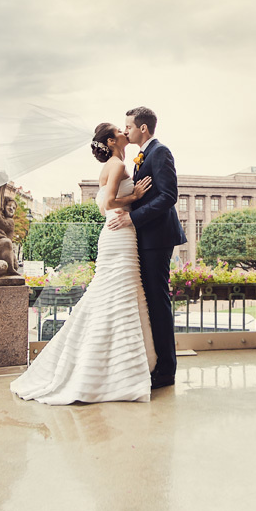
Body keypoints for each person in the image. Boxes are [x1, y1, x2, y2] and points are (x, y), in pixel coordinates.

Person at [10, 123, 156, 404]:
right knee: (117, 296)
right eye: (119, 130)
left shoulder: (116, 164)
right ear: (112, 141)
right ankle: (115, 372)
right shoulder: (116, 165)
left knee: (113, 296)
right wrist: (135, 197)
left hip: (116, 233)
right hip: (118, 232)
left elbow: (103, 203)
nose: (125, 132)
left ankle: (109, 367)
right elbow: (108, 203)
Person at [107, 106, 186, 389]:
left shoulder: (160, 152)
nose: (125, 130)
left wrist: (132, 217)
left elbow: (168, 196)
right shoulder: (143, 156)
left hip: (158, 239)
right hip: (145, 237)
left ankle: (166, 370)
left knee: (158, 301)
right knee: (150, 301)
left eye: (128, 126)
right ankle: (153, 363)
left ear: (143, 128)